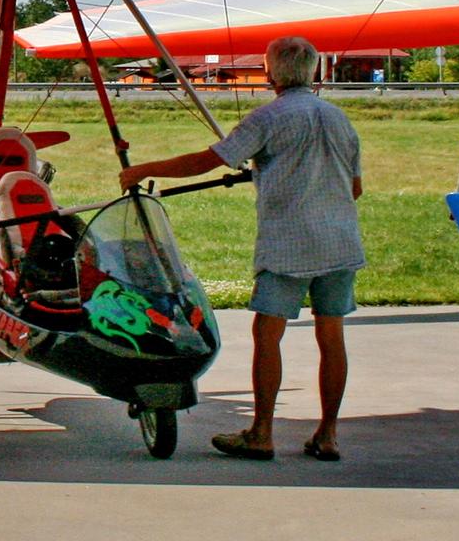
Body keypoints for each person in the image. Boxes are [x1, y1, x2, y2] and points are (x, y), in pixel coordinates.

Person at [118, 36, 362, 462]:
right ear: (313, 71)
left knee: (268, 334)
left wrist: (144, 170)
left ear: (270, 73)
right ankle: (328, 434)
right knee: (332, 334)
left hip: (289, 244)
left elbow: (209, 159)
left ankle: (262, 432)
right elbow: (354, 187)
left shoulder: (270, 117)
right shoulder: (339, 118)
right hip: (340, 241)